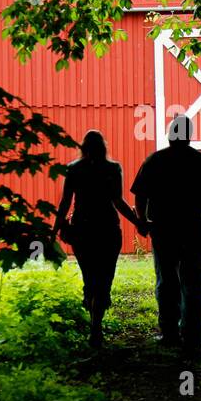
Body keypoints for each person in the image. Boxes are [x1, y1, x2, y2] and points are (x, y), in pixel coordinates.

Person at [130, 115, 201, 358]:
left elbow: (140, 196)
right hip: (195, 231)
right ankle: (193, 338)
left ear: (170, 134)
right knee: (194, 282)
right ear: (189, 135)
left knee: (166, 280)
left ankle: (169, 334)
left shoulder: (154, 161)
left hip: (164, 231)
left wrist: (142, 221)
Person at [53, 130, 143, 349]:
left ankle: (92, 309)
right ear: (104, 147)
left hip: (82, 229)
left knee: (90, 276)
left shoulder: (74, 169)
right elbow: (118, 201)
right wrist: (138, 222)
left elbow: (65, 201)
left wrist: (54, 229)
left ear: (83, 147)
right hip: (107, 229)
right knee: (104, 277)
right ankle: (96, 323)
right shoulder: (112, 168)